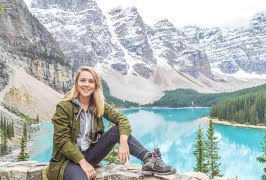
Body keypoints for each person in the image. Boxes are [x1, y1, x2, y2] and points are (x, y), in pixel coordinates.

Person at [47, 66, 176, 180]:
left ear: (96, 85)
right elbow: (62, 141)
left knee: (116, 131)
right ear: (76, 83)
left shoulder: (98, 104)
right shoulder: (64, 106)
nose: (86, 84)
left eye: (91, 81)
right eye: (83, 80)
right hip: (67, 160)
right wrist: (83, 163)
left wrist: (124, 142)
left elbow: (122, 120)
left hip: (90, 155)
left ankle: (149, 160)